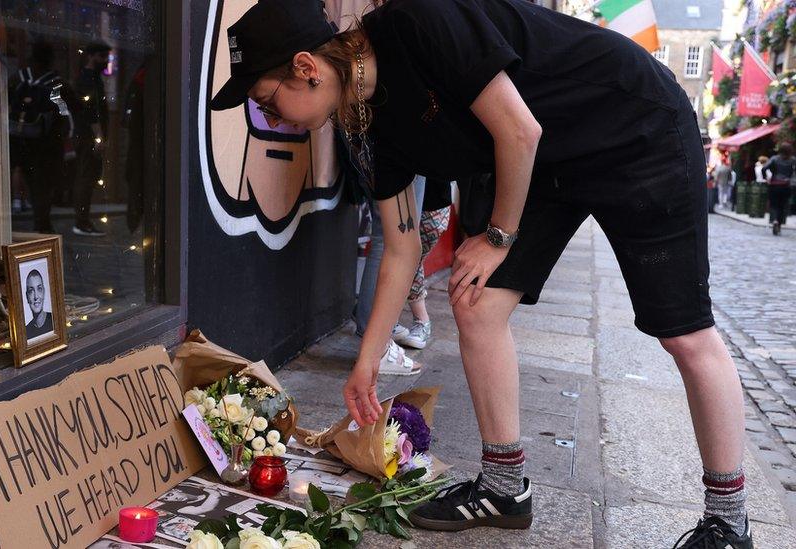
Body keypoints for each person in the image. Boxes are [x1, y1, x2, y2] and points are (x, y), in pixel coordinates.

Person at [210, 1, 751, 546]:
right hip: (546, 164)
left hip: (633, 127)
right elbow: (400, 250)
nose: (272, 121)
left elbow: (519, 131)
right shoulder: (361, 122)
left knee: (683, 332)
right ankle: (503, 486)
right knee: (475, 302)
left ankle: (729, 523)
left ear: (305, 67)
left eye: (266, 103)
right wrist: (367, 363)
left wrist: (498, 237)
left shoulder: (418, 22)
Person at [357, 175, 425, 375]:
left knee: (392, 240)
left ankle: (375, 343)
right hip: (400, 153)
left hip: (382, 152)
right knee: (395, 240)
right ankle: (377, 349)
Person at [8, 41, 70, 233]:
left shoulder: (17, 78)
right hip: (45, 144)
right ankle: (41, 222)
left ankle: (29, 211)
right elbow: (64, 111)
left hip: (19, 139)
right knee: (42, 185)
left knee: (25, 175)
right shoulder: (56, 83)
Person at [396, 178, 453, 350]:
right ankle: (420, 318)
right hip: (400, 185)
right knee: (405, 256)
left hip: (435, 191)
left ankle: (419, 320)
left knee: (411, 257)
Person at [71, 43, 112, 237]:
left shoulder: (93, 78)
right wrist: (99, 136)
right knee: (86, 178)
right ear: (91, 56)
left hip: (89, 136)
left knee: (88, 177)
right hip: (87, 137)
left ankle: (83, 220)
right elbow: (90, 111)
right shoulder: (87, 79)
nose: (105, 61)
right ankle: (81, 221)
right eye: (102, 56)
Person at [761, 143, 795, 236]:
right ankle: (779, 225)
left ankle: (774, 220)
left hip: (775, 184)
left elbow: (764, 168)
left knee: (774, 205)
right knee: (782, 206)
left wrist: (766, 178)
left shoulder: (774, 158)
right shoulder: (792, 160)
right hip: (786, 186)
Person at [24, 269, 53, 340]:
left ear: (44, 292)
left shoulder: (54, 320)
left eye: (39, 289)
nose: (36, 296)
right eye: (31, 291)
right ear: (27, 296)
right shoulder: (25, 332)